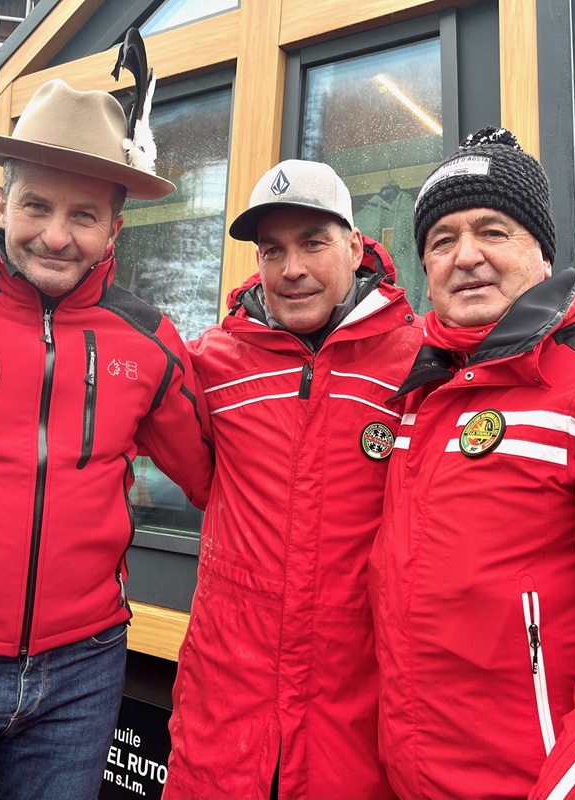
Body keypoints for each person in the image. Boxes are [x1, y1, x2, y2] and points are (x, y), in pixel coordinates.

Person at [0, 78, 213, 800]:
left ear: (114, 229)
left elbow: (221, 480)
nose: (57, 236)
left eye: (83, 215)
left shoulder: (150, 340)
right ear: (2, 203)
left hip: (82, 673)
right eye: (37, 205)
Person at [369, 127, 575, 799]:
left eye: (493, 231)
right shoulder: (421, 395)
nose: (466, 256)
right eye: (442, 241)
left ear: (541, 252)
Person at [163, 159, 423, 799]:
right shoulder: (212, 363)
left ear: (355, 247)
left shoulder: (419, 364)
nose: (292, 269)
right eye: (273, 250)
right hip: (226, 708)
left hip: (356, 713)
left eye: (313, 243)